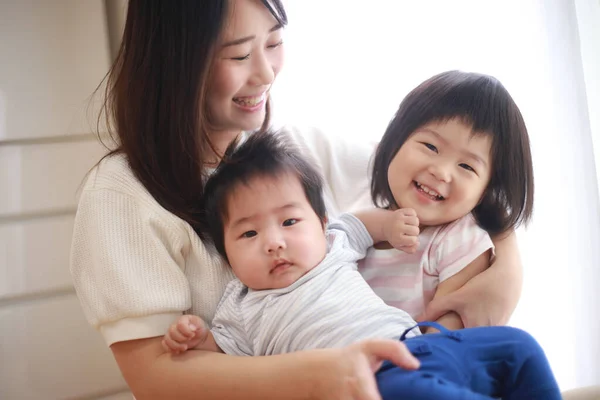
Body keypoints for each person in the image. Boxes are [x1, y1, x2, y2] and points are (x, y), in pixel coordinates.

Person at [70, 1, 525, 399]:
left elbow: (433, 181)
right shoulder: (121, 196)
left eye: (274, 43)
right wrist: (327, 371)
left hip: (395, 357)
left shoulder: (286, 149)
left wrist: (506, 263)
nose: (267, 72)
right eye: (240, 54)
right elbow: (157, 380)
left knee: (521, 356)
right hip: (368, 376)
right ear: (176, 62)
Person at [162, 131, 560, 400]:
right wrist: (195, 337)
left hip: (421, 343)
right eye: (248, 235)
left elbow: (362, 223)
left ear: (320, 223)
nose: (274, 242)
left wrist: (390, 223)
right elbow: (218, 359)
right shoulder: (239, 306)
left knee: (518, 347)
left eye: (289, 222)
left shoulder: (334, 243)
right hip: (371, 380)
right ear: (226, 253)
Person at [357, 70, 534, 331]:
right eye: (430, 146)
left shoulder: (460, 240)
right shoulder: (361, 221)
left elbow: (441, 342)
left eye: (466, 166)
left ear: (485, 191)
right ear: (395, 140)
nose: (441, 172)